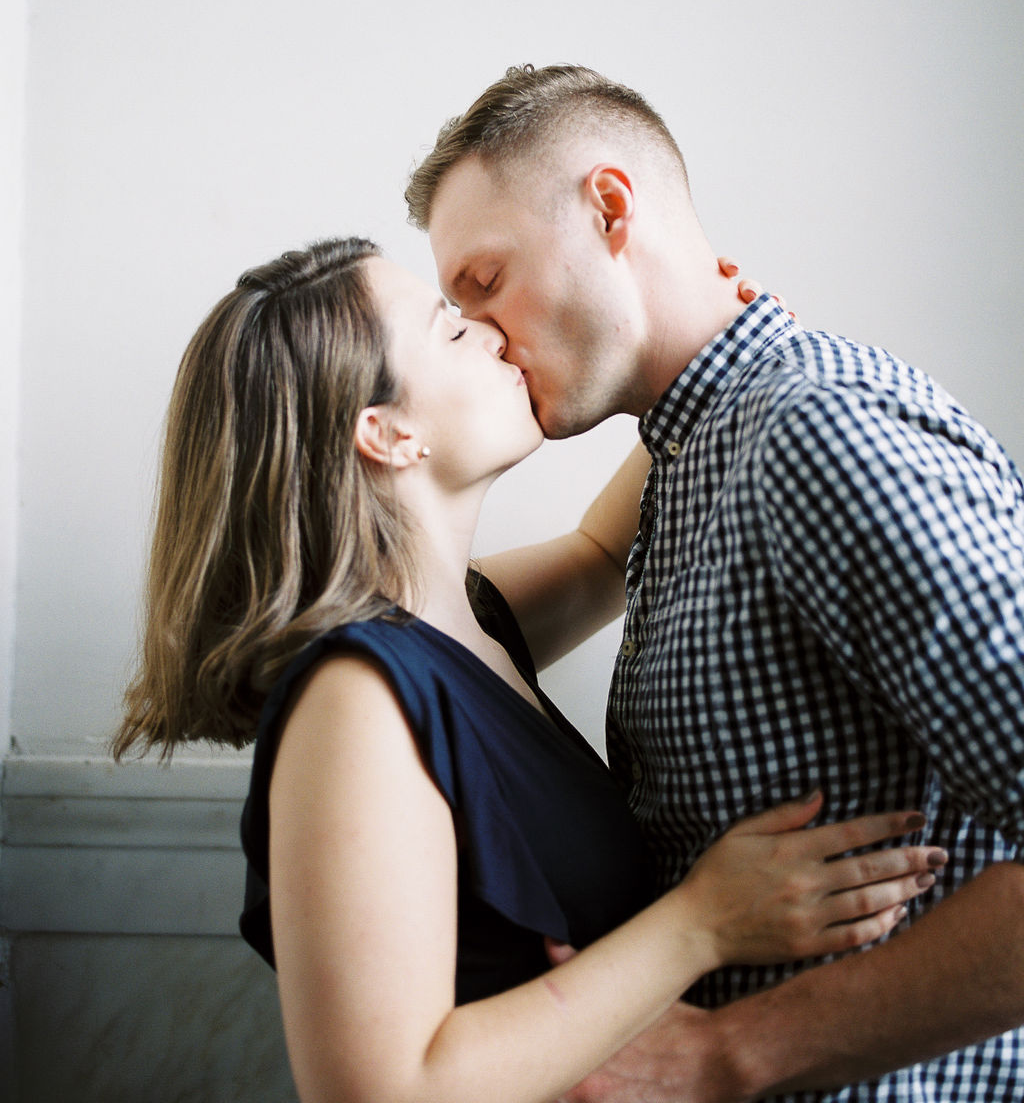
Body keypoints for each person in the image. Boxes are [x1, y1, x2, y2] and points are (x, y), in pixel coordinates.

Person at [112, 237, 943, 1103]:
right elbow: (383, 1089)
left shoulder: (468, 621)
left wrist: (703, 339)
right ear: (387, 433)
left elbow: (597, 555)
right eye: (449, 330)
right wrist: (704, 925)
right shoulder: (354, 698)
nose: (492, 334)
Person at [406, 63, 1024, 1102]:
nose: (484, 331)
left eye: (485, 280)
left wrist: (730, 1052)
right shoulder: (697, 452)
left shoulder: (815, 437)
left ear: (610, 208)